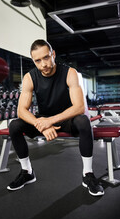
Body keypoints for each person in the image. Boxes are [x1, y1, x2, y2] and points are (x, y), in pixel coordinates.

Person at [8, 39, 104, 196]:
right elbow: (21, 111)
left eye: (46, 58)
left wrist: (49, 121)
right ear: (34, 61)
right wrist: (42, 124)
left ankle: (88, 174)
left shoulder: (69, 73)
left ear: (53, 54)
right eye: (37, 60)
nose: (43, 64)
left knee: (83, 120)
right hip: (44, 118)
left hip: (67, 118)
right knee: (14, 125)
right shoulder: (29, 78)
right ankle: (27, 172)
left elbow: (79, 107)